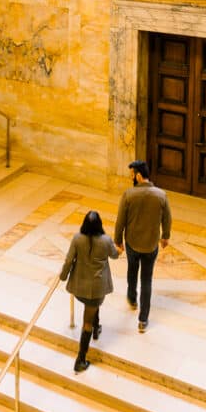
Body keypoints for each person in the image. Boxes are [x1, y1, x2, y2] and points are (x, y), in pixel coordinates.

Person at [114, 160, 171, 333]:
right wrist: (165, 236)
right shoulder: (161, 195)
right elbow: (167, 218)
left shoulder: (128, 195)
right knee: (147, 280)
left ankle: (132, 298)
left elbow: (120, 221)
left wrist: (118, 240)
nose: (131, 178)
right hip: (151, 245)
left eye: (132, 175)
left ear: (138, 176)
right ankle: (143, 320)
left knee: (132, 270)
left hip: (132, 243)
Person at [60, 210, 119, 373]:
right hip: (97, 288)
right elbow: (114, 255)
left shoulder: (77, 239)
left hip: (80, 287)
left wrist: (63, 276)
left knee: (91, 309)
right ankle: (80, 359)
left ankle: (96, 327)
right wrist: (119, 249)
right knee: (87, 321)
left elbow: (68, 260)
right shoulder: (106, 240)